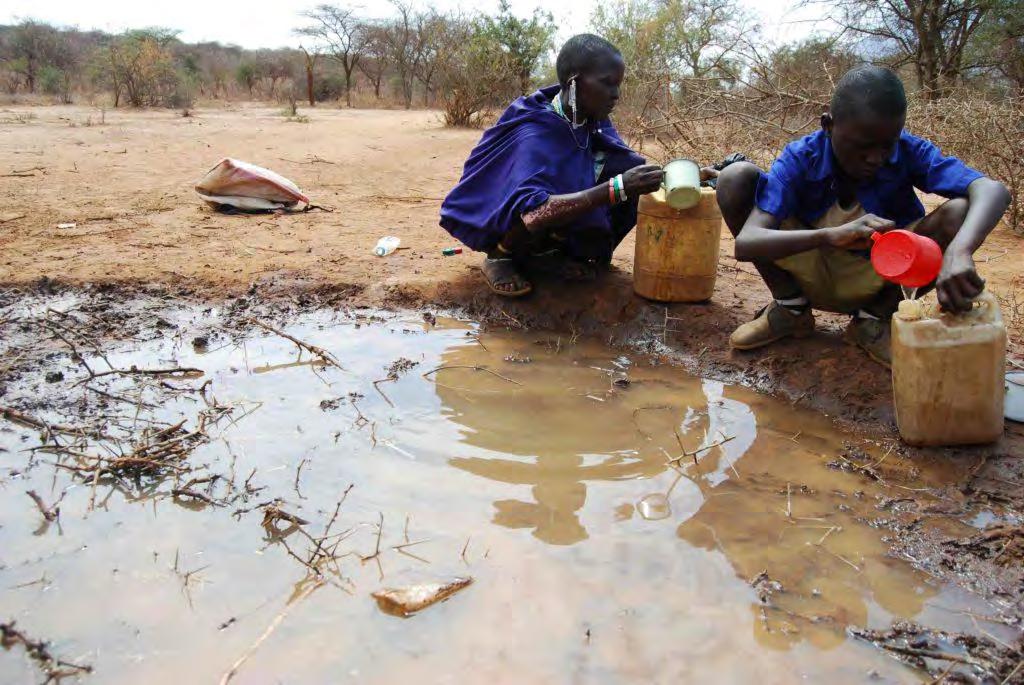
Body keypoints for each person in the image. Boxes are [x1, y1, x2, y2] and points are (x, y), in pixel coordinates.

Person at [716, 65, 1011, 366]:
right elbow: (747, 243)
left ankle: (871, 322)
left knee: (960, 212)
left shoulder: (908, 151)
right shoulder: (801, 157)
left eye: (887, 146)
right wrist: (829, 236)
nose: (876, 158)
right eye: (862, 147)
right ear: (828, 125)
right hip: (809, 267)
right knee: (734, 178)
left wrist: (959, 251)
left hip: (882, 276)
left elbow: (993, 190)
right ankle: (791, 309)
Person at [440, 34, 712, 297]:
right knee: (614, 186)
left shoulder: (589, 119)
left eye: (618, 85)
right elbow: (533, 210)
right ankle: (501, 258)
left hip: (550, 221)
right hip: (506, 222)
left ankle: (558, 255)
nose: (615, 94)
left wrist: (682, 176)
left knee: (627, 175)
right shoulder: (536, 130)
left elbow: (623, 164)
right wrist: (617, 187)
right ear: (575, 83)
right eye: (607, 83)